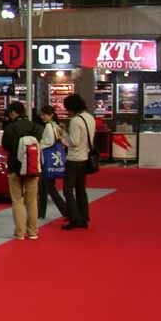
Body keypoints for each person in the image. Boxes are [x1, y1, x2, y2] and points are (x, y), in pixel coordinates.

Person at [1, 101, 39, 240]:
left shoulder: (11, 128)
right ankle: (33, 231)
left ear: (13, 113)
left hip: (15, 168)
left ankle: (20, 232)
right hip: (32, 167)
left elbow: (6, 146)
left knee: (17, 200)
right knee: (32, 200)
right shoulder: (34, 126)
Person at [61, 94, 96, 230]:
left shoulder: (75, 121)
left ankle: (75, 218)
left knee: (68, 190)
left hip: (74, 159)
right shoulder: (90, 118)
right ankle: (84, 216)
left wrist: (63, 135)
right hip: (85, 158)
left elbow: (73, 142)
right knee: (81, 189)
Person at [37, 105, 68, 220]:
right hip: (55, 158)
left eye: (44, 114)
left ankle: (65, 210)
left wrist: (39, 145)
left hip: (47, 159)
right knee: (45, 187)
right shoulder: (56, 126)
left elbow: (49, 142)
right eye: (42, 114)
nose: (42, 117)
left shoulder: (49, 127)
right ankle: (41, 213)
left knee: (48, 187)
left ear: (51, 115)